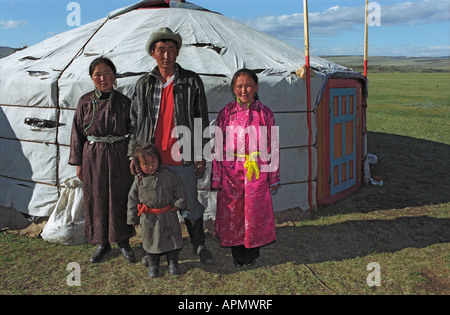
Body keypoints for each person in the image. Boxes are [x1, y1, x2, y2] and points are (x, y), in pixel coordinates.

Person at [128, 27, 213, 264]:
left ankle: (198, 246)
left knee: (190, 204)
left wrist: (200, 154)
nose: (166, 55)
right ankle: (154, 250)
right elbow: (134, 124)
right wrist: (132, 156)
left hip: (182, 156)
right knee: (153, 207)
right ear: (153, 53)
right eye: (161, 50)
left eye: (171, 50)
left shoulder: (191, 81)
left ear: (177, 53)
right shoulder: (144, 84)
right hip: (151, 161)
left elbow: (200, 120)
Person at [69, 57, 136, 263]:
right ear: (92, 77)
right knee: (96, 196)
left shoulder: (124, 102)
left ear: (114, 75)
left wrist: (132, 156)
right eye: (97, 74)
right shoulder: (85, 102)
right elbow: (77, 134)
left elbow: (133, 130)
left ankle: (123, 241)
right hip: (93, 156)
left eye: (107, 73)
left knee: (120, 196)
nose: (102, 78)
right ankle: (102, 242)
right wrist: (79, 162)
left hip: (119, 154)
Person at [211, 69, 280, 267]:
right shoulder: (226, 114)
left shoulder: (265, 114)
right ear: (233, 89)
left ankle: (251, 254)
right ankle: (237, 255)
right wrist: (217, 177)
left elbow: (272, 145)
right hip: (231, 172)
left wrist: (273, 175)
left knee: (254, 214)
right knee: (233, 214)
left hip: (257, 171)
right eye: (239, 86)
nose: (244, 90)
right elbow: (217, 146)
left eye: (248, 85)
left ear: (256, 87)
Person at [127, 144, 186, 278]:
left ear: (158, 159)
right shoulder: (139, 180)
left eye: (153, 161)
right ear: (138, 165)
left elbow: (180, 189)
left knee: (173, 240)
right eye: (145, 164)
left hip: (168, 214)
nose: (151, 166)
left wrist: (178, 204)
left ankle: (173, 263)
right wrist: (133, 218)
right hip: (149, 218)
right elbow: (132, 199)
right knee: (150, 242)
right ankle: (154, 265)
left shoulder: (169, 174)